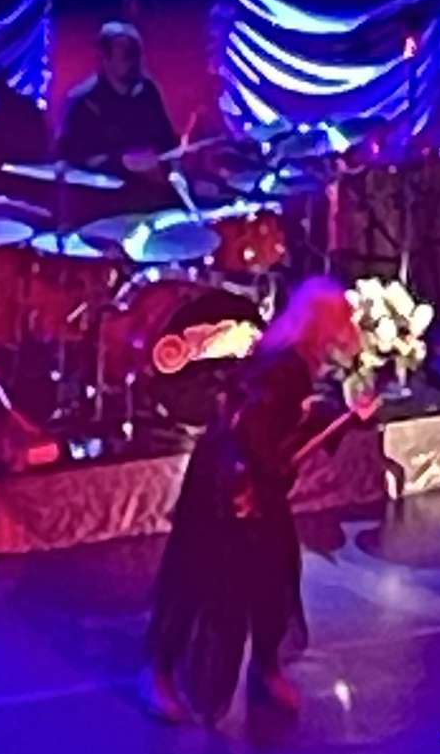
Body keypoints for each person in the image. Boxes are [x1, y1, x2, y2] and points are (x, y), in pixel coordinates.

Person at [139, 278, 376, 725]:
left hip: (254, 482)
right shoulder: (282, 366)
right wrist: (267, 472)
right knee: (201, 574)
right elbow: (251, 426)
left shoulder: (296, 364)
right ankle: (160, 671)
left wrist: (338, 419)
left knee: (273, 569)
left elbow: (289, 421)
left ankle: (266, 667)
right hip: (227, 483)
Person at [57, 21, 179, 214]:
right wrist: (120, 162)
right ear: (104, 58)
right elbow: (68, 160)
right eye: (127, 55)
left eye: (137, 54)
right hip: (102, 206)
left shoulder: (148, 92)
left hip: (151, 199)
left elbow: (168, 142)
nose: (134, 63)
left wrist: (173, 169)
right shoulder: (82, 101)